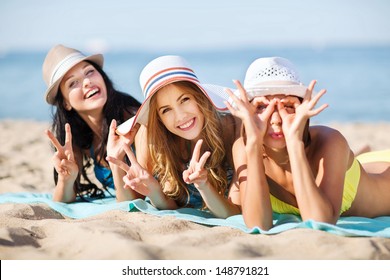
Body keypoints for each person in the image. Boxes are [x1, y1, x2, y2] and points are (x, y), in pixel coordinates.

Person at [225, 57, 390, 230]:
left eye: (287, 106)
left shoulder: (330, 140)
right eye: (261, 107)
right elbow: (258, 225)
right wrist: (253, 143)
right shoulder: (244, 148)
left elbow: (320, 223)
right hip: (358, 165)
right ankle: (360, 154)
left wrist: (294, 143)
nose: (275, 119)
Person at [107, 55, 241, 218]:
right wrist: (115, 161)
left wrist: (204, 185)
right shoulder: (149, 137)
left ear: (199, 98)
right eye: (166, 110)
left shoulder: (230, 127)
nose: (180, 116)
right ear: (159, 118)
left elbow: (236, 213)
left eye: (184, 99)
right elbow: (131, 205)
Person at [42, 44, 142, 203]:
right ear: (66, 103)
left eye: (89, 72)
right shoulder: (76, 137)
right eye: (72, 83)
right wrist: (66, 179)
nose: (87, 81)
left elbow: (136, 200)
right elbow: (63, 201)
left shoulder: (133, 120)